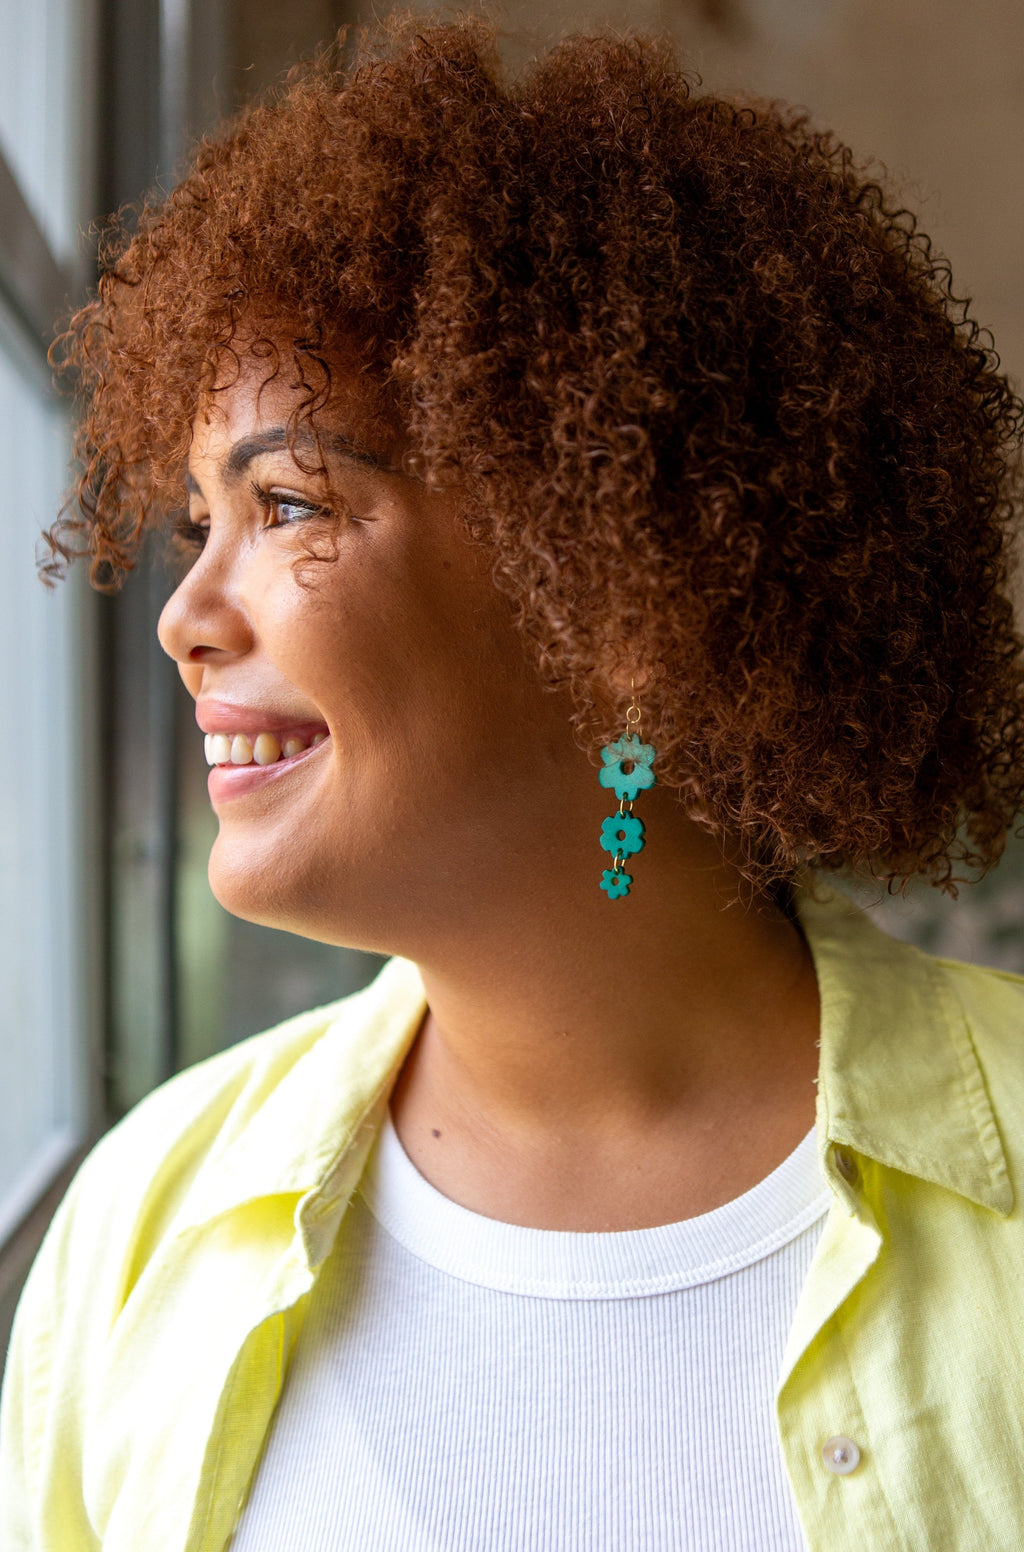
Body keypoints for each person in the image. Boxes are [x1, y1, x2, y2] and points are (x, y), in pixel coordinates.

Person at [3, 13, 1024, 1551]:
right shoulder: (145, 1225)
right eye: (194, 523)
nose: (184, 616)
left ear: (615, 594)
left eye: (286, 503)